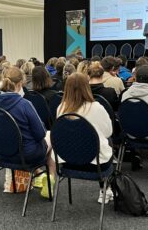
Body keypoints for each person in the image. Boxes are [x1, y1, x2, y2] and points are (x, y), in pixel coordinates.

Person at [0, 67, 55, 198]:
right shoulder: (25, 104)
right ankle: (49, 179)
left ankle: (38, 174)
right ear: (19, 84)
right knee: (51, 135)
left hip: (0, 154)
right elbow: (40, 134)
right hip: (25, 156)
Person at [57, 73, 113, 204]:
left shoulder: (61, 108)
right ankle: (105, 189)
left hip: (67, 162)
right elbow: (108, 132)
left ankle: (107, 189)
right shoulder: (97, 108)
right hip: (95, 165)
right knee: (106, 141)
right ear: (86, 87)